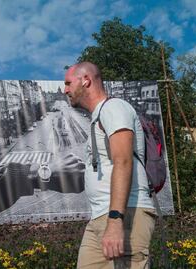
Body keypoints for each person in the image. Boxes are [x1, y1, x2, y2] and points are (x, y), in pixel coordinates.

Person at [64, 62, 156, 268]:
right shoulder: (98, 115)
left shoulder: (114, 107)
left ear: (85, 80)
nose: (65, 89)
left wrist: (115, 220)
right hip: (101, 215)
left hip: (125, 213)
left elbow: (122, 161)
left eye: (68, 83)